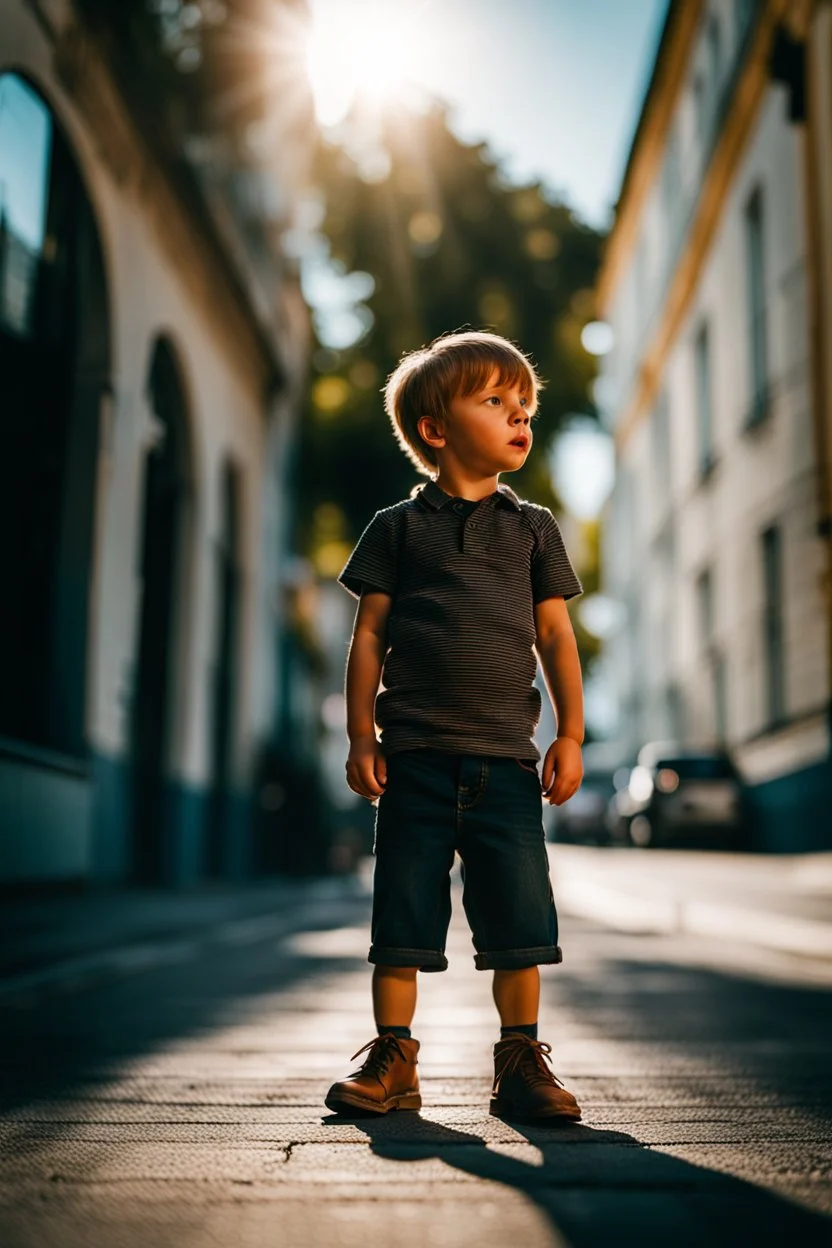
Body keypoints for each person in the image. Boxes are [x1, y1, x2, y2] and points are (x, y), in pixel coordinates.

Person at [325, 329, 585, 1123]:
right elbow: (369, 635)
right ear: (436, 430)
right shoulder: (396, 530)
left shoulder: (532, 526)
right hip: (414, 762)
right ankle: (394, 1056)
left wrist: (571, 733)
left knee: (519, 921)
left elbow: (556, 637)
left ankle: (521, 1059)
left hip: (506, 762)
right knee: (401, 914)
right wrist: (360, 736)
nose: (519, 417)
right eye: (496, 402)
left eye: (525, 406)